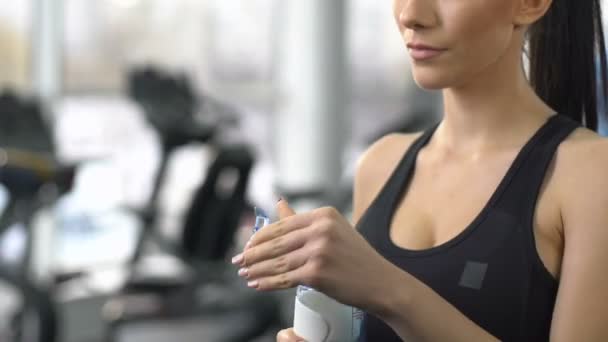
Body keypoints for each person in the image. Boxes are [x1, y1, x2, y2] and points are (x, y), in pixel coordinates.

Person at [232, 0, 608, 340]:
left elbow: (386, 293)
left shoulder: (589, 174)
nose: (411, 14)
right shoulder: (381, 164)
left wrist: (390, 290)